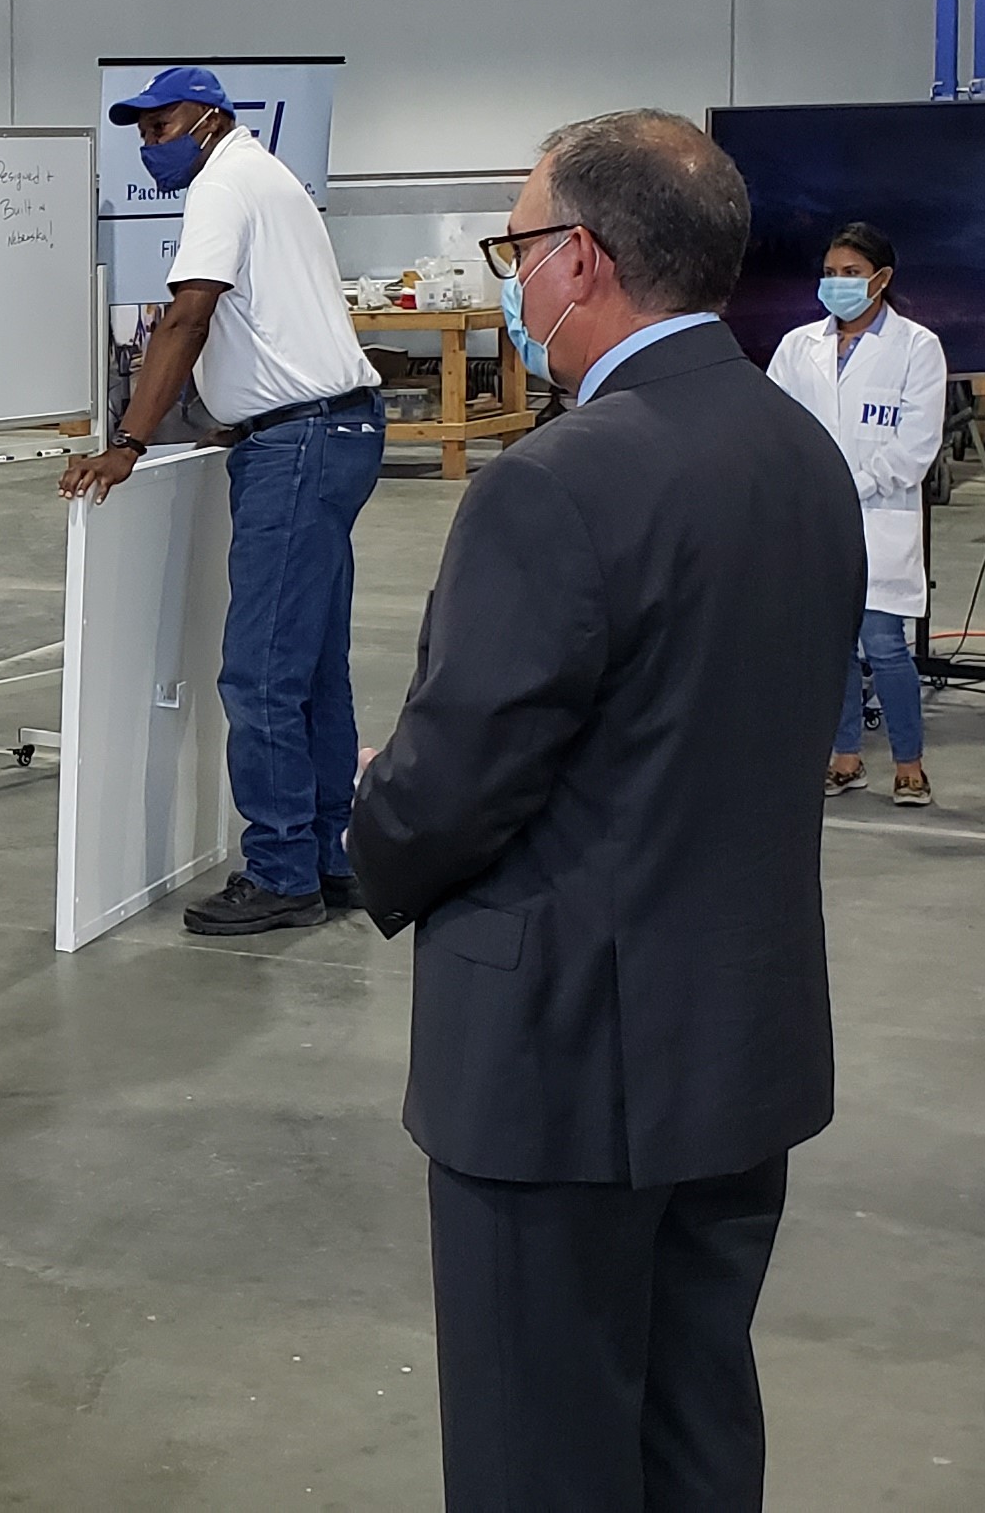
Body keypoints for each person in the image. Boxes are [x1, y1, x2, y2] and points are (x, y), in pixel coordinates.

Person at [351, 111, 861, 1513]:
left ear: (580, 260)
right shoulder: (796, 450)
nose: (513, 282)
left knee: (541, 1452)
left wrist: (369, 828)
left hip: (561, 1067)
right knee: (696, 1425)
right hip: (737, 1041)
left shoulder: (560, 481)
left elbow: (459, 775)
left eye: (517, 247)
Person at [59, 66, 388, 935]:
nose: (149, 145)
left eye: (159, 127)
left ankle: (280, 872)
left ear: (205, 119)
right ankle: (326, 856)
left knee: (262, 672)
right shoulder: (267, 179)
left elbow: (188, 317)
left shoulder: (222, 183)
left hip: (300, 444)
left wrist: (128, 440)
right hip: (334, 431)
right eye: (140, 131)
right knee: (313, 666)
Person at [767, 222, 948, 807]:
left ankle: (909, 764)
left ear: (881, 279)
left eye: (850, 274)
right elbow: (775, 426)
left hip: (879, 515)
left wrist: (850, 484)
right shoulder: (799, 347)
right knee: (831, 645)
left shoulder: (917, 347)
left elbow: (916, 445)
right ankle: (844, 757)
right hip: (814, 519)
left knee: (885, 643)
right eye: (830, 274)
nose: (837, 284)